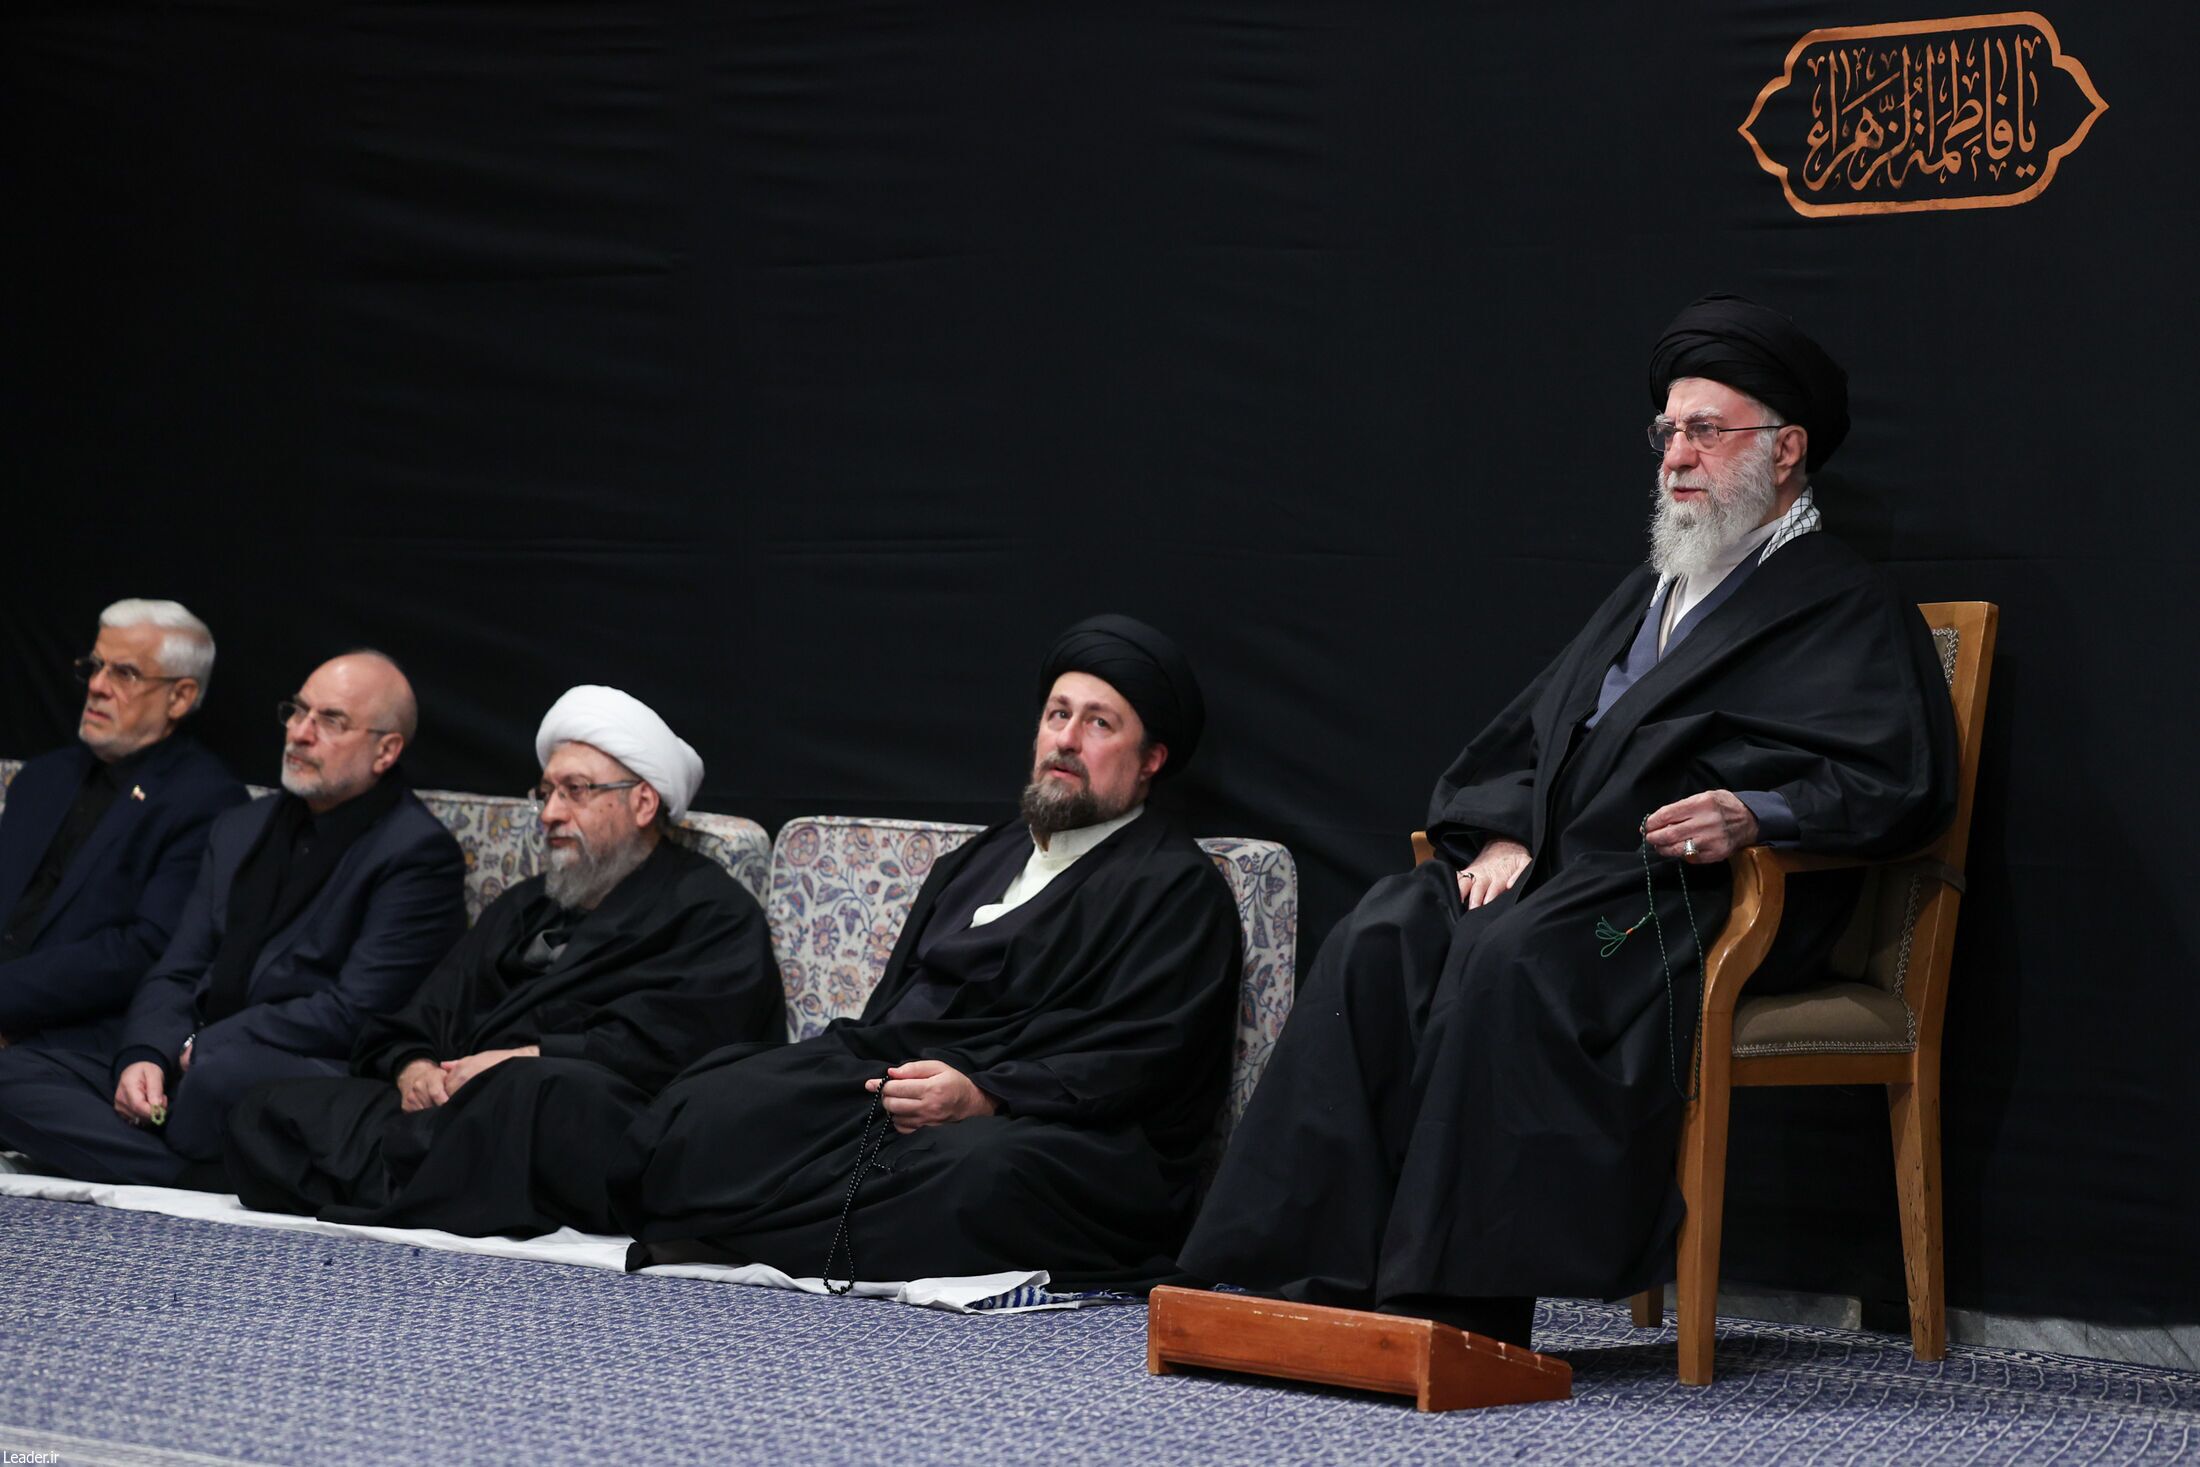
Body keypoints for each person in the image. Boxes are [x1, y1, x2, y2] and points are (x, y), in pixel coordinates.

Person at [1178, 294, 1961, 1347]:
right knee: (1385, 932)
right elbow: (1532, 734)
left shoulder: (1843, 602)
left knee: (1516, 957)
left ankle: (1452, 1306)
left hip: (1688, 899)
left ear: (1787, 451)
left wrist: (1755, 812)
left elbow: (1899, 778)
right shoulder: (1651, 590)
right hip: (1563, 874)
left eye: (1705, 430)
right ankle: (1288, 1271)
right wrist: (1506, 828)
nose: (1676, 457)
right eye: (1667, 432)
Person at [531, 616, 1241, 1286]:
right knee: (707, 1105)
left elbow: (1139, 1057)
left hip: (1049, 1128)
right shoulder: (979, 861)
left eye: (1099, 723)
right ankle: (777, 1225)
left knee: (975, 1176)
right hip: (902, 1087)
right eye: (1058, 715)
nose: (1067, 739)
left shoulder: (1176, 887)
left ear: (1150, 760)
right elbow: (890, 1018)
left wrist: (987, 1094)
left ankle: (741, 1228)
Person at [223, 686, 784, 1236]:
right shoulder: (526, 906)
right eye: (546, 792)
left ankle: (413, 1179)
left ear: (642, 803)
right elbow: (421, 1015)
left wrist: (518, 1060)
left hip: (598, 1123)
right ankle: (435, 1182)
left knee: (534, 1093)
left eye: (575, 791)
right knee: (266, 1109)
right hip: (462, 1113)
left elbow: (685, 1048)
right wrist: (415, 1068)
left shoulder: (713, 912)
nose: (550, 814)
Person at [0, 651, 466, 1186]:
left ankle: (140, 1151)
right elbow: (177, 967)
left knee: (219, 1081)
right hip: (191, 1056)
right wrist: (147, 1054)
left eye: (331, 721)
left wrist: (205, 1046)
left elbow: (358, 1010)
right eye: (297, 711)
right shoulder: (241, 827)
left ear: (386, 750)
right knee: (15, 1071)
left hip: (299, 1065)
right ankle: (190, 1173)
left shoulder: (416, 853)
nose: (300, 733)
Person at [0, 600, 247, 1042]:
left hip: (70, 1037)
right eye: (95, 667)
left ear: (180, 697)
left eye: (125, 674)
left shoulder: (206, 801)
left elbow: (145, 950)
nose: (96, 686)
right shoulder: (42, 777)